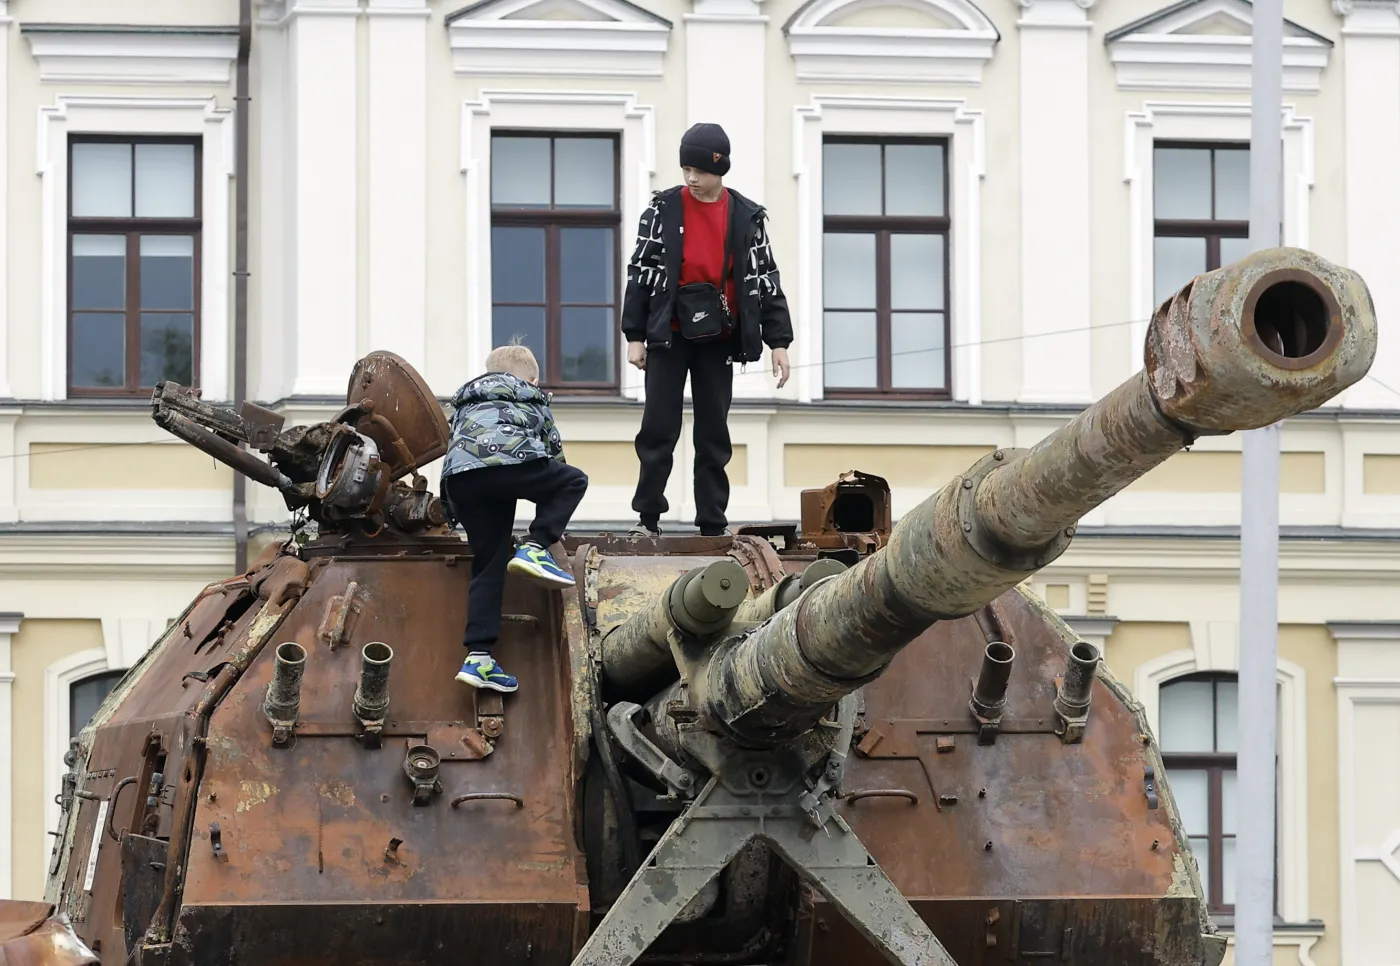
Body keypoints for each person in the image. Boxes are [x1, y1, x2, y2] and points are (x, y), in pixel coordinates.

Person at [621, 122, 793, 537]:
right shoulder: (662, 210)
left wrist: (779, 342)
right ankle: (647, 519)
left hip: (719, 337)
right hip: (670, 332)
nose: (691, 179)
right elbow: (641, 271)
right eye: (685, 170)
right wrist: (635, 335)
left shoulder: (747, 217)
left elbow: (765, 279)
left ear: (720, 169)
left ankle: (713, 523)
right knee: (658, 427)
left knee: (714, 431)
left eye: (699, 171)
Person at [440, 342, 588, 693]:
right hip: (509, 463)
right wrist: (550, 523)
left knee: (489, 564)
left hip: (463, 481)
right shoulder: (530, 395)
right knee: (573, 481)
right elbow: (553, 451)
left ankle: (479, 657)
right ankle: (535, 547)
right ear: (533, 378)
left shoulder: (466, 401)